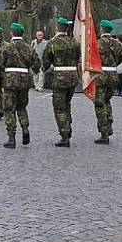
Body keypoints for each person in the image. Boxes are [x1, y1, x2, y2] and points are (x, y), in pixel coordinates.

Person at [0, 22, 41, 148]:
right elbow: (37, 65)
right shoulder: (28, 48)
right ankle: (25, 129)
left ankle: (11, 138)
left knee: (9, 109)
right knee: (22, 107)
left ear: (11, 33)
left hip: (9, 82)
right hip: (24, 82)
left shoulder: (6, 47)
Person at [41, 17, 81, 147]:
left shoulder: (52, 43)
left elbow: (46, 62)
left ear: (57, 28)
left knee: (59, 107)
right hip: (73, 77)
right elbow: (77, 58)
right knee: (67, 104)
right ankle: (68, 128)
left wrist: (50, 69)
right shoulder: (75, 43)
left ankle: (64, 135)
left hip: (59, 78)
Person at [94, 20, 122, 144]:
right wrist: (118, 70)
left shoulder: (97, 43)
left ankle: (104, 132)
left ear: (102, 29)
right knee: (107, 100)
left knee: (100, 103)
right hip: (113, 75)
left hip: (101, 75)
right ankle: (109, 122)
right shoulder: (118, 44)